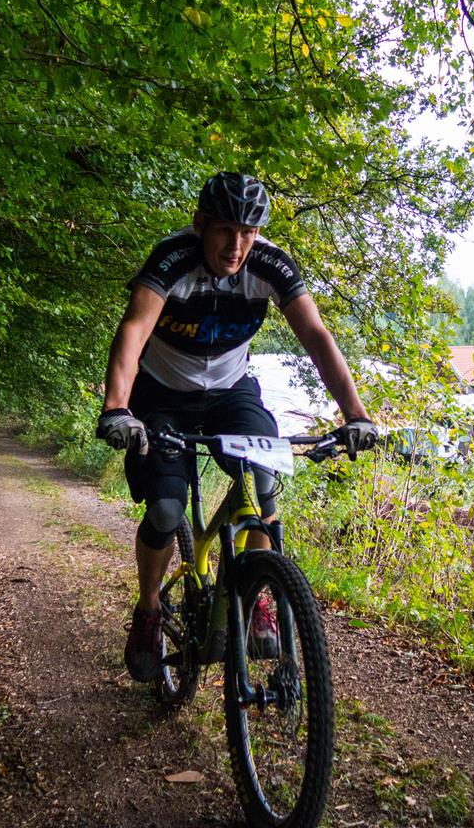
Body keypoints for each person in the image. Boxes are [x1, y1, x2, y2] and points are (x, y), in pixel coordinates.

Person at [95, 171, 378, 681]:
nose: (237, 245)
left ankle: (254, 598)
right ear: (201, 224)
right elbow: (134, 330)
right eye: (226, 230)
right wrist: (117, 407)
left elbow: (316, 336)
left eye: (248, 232)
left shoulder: (269, 264)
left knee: (263, 480)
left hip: (231, 393)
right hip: (161, 395)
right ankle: (149, 611)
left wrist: (355, 414)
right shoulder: (172, 259)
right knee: (165, 509)